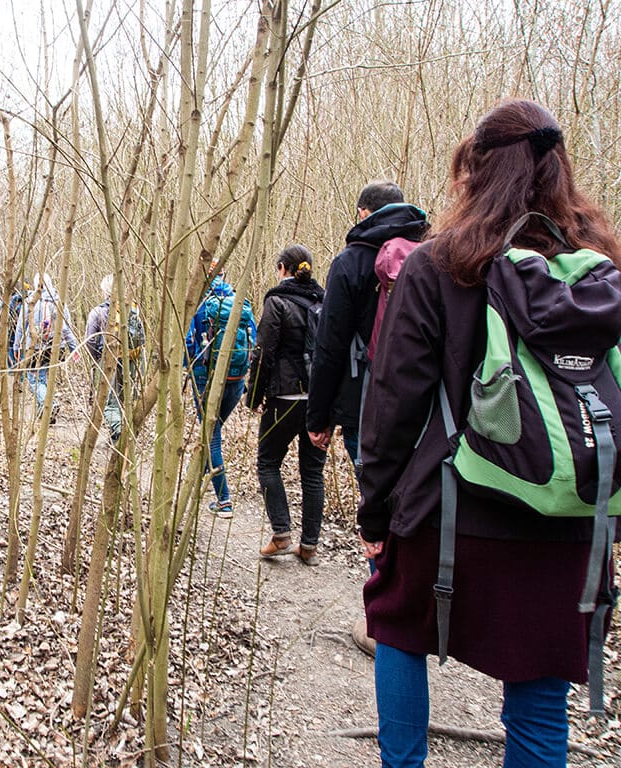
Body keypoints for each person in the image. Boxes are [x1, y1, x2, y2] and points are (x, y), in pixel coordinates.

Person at [357, 99, 621, 768]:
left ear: (474, 171)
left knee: (399, 628)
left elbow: (393, 403)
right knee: (539, 702)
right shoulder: (602, 274)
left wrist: (376, 510)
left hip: (451, 511)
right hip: (570, 518)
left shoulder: (439, 265)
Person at [305, 180, 427, 653]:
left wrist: (319, 418)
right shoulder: (433, 253)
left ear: (363, 213)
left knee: (377, 507)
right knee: (413, 506)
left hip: (367, 409)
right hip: (428, 413)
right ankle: (417, 605)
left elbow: (330, 347)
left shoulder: (351, 261)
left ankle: (385, 620)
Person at [246, 245, 327, 564]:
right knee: (313, 472)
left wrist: (254, 396)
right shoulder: (324, 301)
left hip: (285, 397)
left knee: (267, 463)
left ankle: (281, 534)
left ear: (283, 268)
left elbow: (263, 353)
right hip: (318, 400)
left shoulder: (277, 301)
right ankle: (309, 546)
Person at [185, 266, 256, 520]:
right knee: (213, 431)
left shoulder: (200, 304)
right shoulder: (240, 302)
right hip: (236, 380)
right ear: (224, 275)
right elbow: (254, 339)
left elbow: (189, 342)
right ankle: (201, 470)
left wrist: (187, 367)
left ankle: (224, 500)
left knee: (211, 436)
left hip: (207, 378)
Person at [85, 274, 145, 443]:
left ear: (105, 291)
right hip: (130, 361)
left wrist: (96, 359)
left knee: (108, 403)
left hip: (108, 361)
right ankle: (117, 436)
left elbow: (90, 341)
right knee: (122, 400)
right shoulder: (132, 311)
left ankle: (120, 435)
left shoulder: (98, 312)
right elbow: (143, 339)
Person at [13, 272, 80, 422]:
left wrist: (16, 347)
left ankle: (49, 404)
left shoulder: (30, 302)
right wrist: (74, 348)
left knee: (33, 378)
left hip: (35, 347)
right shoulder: (59, 302)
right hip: (56, 348)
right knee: (43, 378)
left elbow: (20, 327)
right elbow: (66, 329)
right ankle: (45, 415)